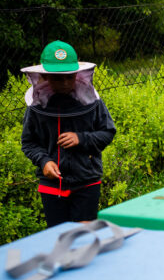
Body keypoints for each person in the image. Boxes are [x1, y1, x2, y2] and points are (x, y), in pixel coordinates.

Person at [21, 40, 116, 227]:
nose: (64, 83)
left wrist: (81, 138)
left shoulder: (93, 103)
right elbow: (29, 143)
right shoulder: (36, 107)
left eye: (69, 77)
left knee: (85, 235)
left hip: (87, 182)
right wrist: (44, 161)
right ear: (43, 77)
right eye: (57, 78)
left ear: (78, 75)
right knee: (58, 236)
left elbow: (107, 132)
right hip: (51, 186)